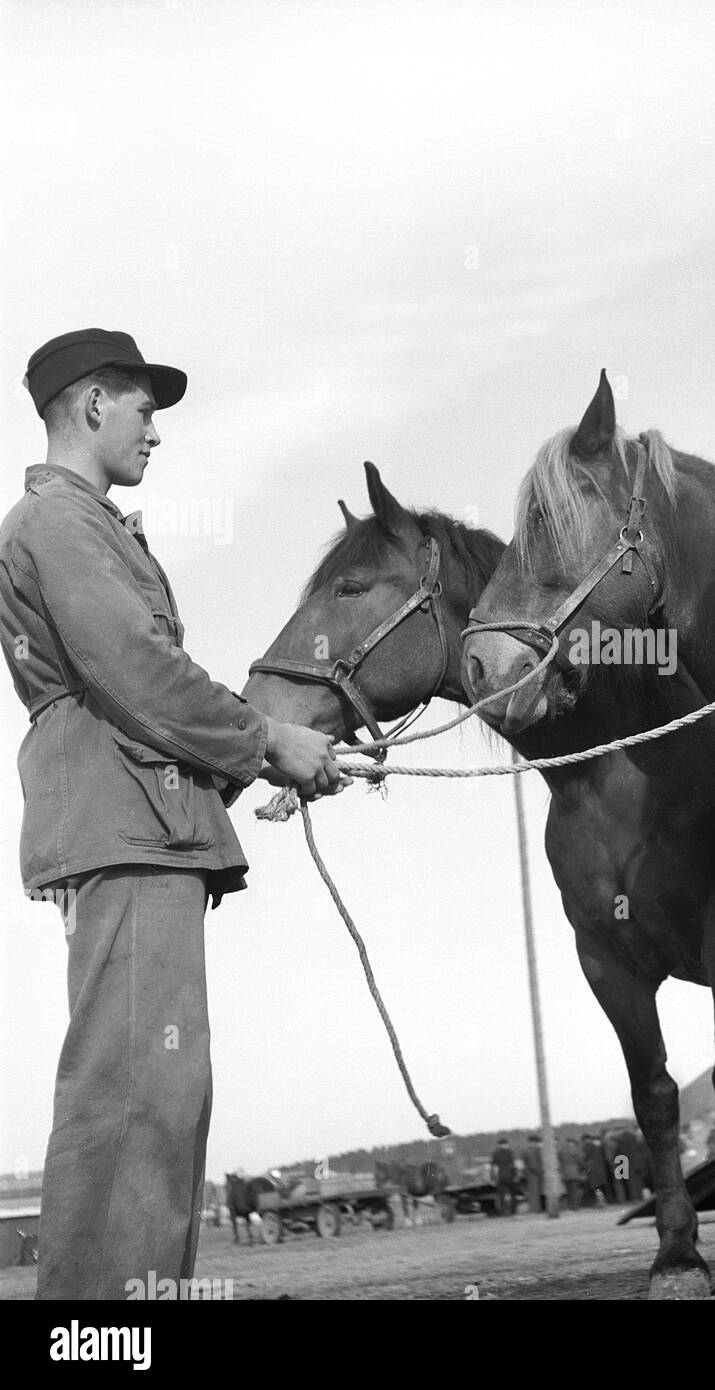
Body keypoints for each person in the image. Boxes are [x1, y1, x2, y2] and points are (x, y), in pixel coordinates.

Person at [0, 330, 344, 1300]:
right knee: (134, 1101)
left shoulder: (80, 526)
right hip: (126, 835)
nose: (158, 431)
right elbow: (138, 675)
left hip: (139, 824)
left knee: (162, 1097)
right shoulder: (60, 526)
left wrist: (249, 760)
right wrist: (267, 740)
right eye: (146, 409)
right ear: (93, 404)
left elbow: (134, 704)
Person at [490, 1136, 516, 1215]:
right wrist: (515, 1174)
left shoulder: (495, 1153)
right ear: (506, 1144)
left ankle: (503, 1211)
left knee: (501, 1195)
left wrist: (494, 1178)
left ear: (499, 1144)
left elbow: (494, 1167)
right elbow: (512, 1165)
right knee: (513, 1193)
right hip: (509, 1176)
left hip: (500, 1177)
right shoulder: (510, 1152)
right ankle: (512, 1210)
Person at [558, 1136, 584, 1212]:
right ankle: (575, 1207)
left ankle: (570, 1206)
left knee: (569, 1191)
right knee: (575, 1191)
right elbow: (580, 1162)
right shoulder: (576, 1150)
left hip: (565, 1174)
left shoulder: (561, 1151)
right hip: (575, 1173)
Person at [522, 1135, 544, 1214]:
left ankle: (535, 1209)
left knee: (534, 1192)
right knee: (534, 1192)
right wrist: (539, 1172)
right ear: (533, 1142)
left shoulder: (528, 1150)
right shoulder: (530, 1150)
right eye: (536, 1142)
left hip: (531, 1173)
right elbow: (532, 1164)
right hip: (533, 1174)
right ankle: (535, 1210)